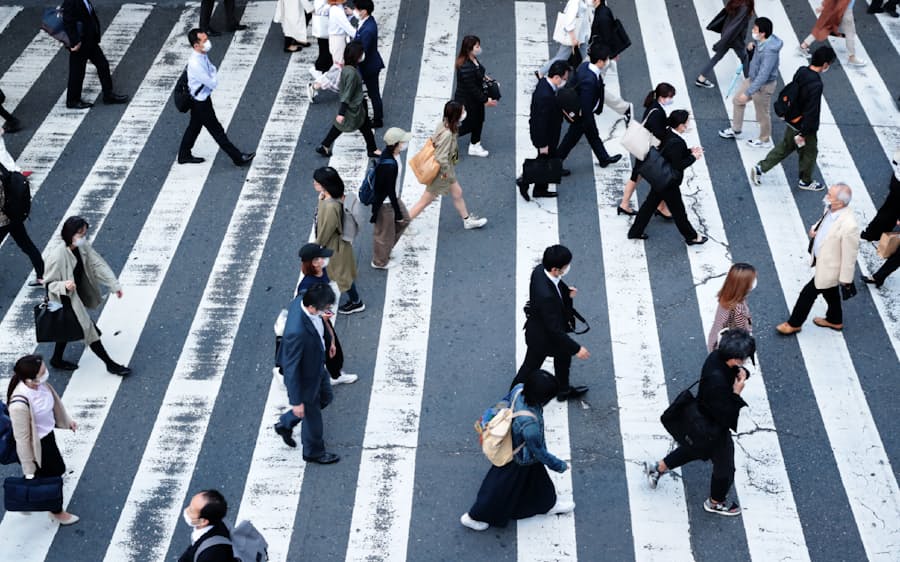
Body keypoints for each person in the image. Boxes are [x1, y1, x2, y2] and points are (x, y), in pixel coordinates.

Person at [644, 329, 756, 518]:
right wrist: (737, 392)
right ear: (736, 358)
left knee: (695, 447)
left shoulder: (716, 357)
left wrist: (741, 373)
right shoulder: (718, 383)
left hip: (700, 420)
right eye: (744, 359)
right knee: (725, 468)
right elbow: (727, 414)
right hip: (714, 427)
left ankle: (658, 468)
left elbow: (732, 373)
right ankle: (716, 502)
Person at [460, 370, 575, 531]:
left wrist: (489, 417)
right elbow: (539, 451)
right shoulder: (530, 426)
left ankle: (548, 504)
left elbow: (503, 403)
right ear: (542, 398)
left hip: (517, 450)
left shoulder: (519, 389)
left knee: (538, 480)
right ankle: (475, 516)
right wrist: (559, 465)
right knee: (498, 486)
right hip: (519, 457)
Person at [42, 216, 131, 375]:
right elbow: (48, 284)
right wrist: (64, 285)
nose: (84, 238)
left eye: (84, 234)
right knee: (89, 331)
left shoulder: (81, 245)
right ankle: (111, 365)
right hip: (65, 299)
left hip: (76, 294)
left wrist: (113, 285)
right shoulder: (57, 256)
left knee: (66, 327)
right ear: (70, 234)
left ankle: (56, 359)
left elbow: (97, 263)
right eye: (81, 234)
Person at [511, 245, 591, 401]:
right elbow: (554, 330)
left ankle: (563, 390)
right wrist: (577, 348)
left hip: (542, 331)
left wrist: (567, 294)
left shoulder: (540, 270)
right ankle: (511, 399)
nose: (567, 268)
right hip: (543, 338)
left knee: (563, 358)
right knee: (530, 368)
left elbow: (557, 285)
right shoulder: (546, 297)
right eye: (566, 266)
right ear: (555, 269)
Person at [777, 183, 859, 334]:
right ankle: (835, 320)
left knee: (808, 293)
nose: (826, 197)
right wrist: (815, 228)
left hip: (830, 268)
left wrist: (846, 279)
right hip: (823, 261)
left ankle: (794, 323)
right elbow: (824, 222)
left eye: (830, 195)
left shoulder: (849, 226)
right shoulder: (831, 208)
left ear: (840, 202)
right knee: (830, 292)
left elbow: (850, 256)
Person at [7, 354, 79, 526]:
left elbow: (54, 405)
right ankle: (56, 512)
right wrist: (28, 468)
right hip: (37, 445)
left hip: (47, 436)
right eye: (43, 371)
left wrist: (67, 421)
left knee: (49, 474)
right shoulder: (18, 405)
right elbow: (22, 439)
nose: (46, 372)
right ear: (30, 378)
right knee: (53, 476)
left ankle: (30, 498)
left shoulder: (39, 384)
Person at [751, 46, 835, 192]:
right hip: (803, 125)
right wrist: (806, 131)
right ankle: (805, 180)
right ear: (825, 64)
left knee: (786, 147)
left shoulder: (802, 71)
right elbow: (812, 110)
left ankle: (761, 168)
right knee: (810, 152)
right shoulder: (816, 84)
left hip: (791, 119)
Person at [273, 283, 340, 464]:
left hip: (317, 365)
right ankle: (313, 452)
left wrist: (330, 341)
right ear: (312, 307)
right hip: (306, 378)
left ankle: (286, 423)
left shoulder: (302, 299)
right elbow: (292, 369)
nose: (328, 311)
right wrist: (296, 401)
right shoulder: (297, 332)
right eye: (325, 308)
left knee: (325, 398)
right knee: (313, 414)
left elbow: (319, 326)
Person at [627, 110, 709, 245]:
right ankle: (691, 237)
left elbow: (671, 153)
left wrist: (689, 151)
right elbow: (678, 165)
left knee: (650, 205)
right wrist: (693, 157)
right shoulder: (678, 142)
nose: (688, 124)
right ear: (681, 125)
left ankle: (635, 231)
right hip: (668, 181)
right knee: (679, 212)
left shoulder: (667, 132)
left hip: (659, 175)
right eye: (687, 122)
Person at [178, 29, 255, 167]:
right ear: (196, 46)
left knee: (194, 127)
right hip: (201, 102)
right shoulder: (195, 63)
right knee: (217, 131)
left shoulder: (202, 55)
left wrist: (212, 74)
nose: (208, 42)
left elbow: (212, 69)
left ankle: (184, 155)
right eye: (204, 41)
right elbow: (212, 82)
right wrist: (213, 75)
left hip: (200, 99)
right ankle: (237, 158)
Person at [408, 101, 488, 230]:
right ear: (457, 115)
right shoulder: (448, 134)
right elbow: (441, 157)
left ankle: (467, 220)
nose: (464, 113)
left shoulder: (443, 125)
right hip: (441, 174)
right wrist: (447, 174)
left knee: (458, 193)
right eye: (462, 111)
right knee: (424, 201)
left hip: (445, 172)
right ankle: (401, 225)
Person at [295, 243, 357, 384]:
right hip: (314, 323)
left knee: (330, 347)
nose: (325, 259)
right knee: (329, 347)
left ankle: (333, 373)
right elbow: (311, 309)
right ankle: (334, 376)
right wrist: (328, 327)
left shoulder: (321, 273)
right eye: (320, 257)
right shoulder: (307, 285)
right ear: (314, 263)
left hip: (321, 317)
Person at [555, 42, 623, 169]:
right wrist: (588, 119)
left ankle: (603, 158)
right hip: (583, 116)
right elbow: (586, 104)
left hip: (583, 113)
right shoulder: (589, 81)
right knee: (570, 140)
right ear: (600, 61)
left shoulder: (586, 66)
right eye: (607, 59)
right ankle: (555, 164)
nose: (608, 61)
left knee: (592, 135)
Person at [718, 17, 782, 149]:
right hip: (753, 79)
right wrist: (751, 48)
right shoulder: (762, 42)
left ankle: (765, 140)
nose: (753, 30)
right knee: (737, 100)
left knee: (762, 114)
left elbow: (764, 75)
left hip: (763, 86)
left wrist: (748, 92)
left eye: (755, 29)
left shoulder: (770, 51)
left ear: (763, 33)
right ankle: (736, 129)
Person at [313, 167, 365, 314]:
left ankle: (356, 302)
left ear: (325, 185)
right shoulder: (332, 197)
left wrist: (316, 247)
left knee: (342, 276)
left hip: (334, 247)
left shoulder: (331, 206)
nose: (314, 184)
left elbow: (326, 230)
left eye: (317, 182)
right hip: (336, 245)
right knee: (336, 273)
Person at [314, 42, 380, 158]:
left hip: (357, 103)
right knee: (357, 126)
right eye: (361, 53)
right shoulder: (352, 73)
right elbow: (347, 93)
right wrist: (341, 112)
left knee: (359, 127)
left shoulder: (346, 68)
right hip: (355, 105)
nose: (362, 55)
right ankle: (372, 149)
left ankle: (325, 145)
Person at [618, 82, 675, 216]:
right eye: (670, 97)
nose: (671, 99)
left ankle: (625, 204)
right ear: (662, 97)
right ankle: (660, 207)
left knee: (636, 176)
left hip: (644, 148)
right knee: (661, 177)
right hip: (650, 150)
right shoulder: (657, 111)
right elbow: (658, 132)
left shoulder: (653, 105)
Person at [517, 61, 571, 201]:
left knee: (547, 159)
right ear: (557, 77)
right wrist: (542, 144)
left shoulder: (545, 84)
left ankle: (541, 187)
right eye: (564, 78)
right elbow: (540, 122)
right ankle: (525, 181)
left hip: (548, 133)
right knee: (542, 162)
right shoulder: (545, 95)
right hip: (545, 136)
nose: (565, 81)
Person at [61, 0, 129, 110]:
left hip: (89, 40)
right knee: (77, 72)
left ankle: (108, 95)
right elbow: (68, 22)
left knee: (103, 65)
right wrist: (75, 42)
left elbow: (90, 17)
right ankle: (73, 100)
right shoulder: (71, 1)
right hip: (80, 42)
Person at [1, 138, 44, 287]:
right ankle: (42, 276)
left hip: (3, 220)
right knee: (26, 244)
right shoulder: (4, 170)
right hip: (15, 215)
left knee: (26, 244)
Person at [371, 127, 411, 268]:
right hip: (386, 202)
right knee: (384, 233)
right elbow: (388, 191)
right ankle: (379, 261)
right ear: (396, 144)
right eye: (403, 141)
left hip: (392, 198)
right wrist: (397, 212)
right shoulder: (389, 164)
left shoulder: (394, 154)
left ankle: (384, 250)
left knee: (405, 221)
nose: (405, 143)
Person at [588, 0, 633, 121]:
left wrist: (611, 55)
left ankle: (625, 108)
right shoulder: (603, 10)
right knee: (592, 83)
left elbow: (607, 37)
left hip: (600, 57)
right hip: (598, 54)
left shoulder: (602, 15)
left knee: (595, 86)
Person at [454, 35, 497, 157]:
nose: (479, 48)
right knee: (468, 124)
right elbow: (472, 88)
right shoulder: (465, 67)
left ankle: (475, 144)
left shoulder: (472, 59)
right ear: (469, 49)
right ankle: (445, 138)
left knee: (478, 121)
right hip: (468, 101)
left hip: (475, 100)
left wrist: (488, 80)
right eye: (477, 46)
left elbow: (479, 73)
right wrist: (485, 101)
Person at [695, 0, 754, 89]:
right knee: (745, 58)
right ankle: (749, 82)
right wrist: (721, 42)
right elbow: (734, 26)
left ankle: (701, 79)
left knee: (717, 57)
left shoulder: (737, 2)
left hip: (727, 35)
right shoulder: (744, 7)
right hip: (734, 38)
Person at [307, 0, 356, 100]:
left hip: (338, 39)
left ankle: (346, 89)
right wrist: (359, 35)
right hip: (338, 40)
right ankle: (315, 86)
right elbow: (346, 26)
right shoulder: (336, 10)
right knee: (338, 68)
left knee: (340, 67)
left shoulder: (338, 8)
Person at [799, 0, 866, 66]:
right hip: (844, 8)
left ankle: (804, 45)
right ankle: (852, 57)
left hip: (837, 7)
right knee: (850, 33)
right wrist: (824, 5)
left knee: (824, 28)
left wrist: (824, 5)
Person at [707, 263, 756, 352]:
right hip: (731, 345)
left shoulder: (726, 295)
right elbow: (742, 329)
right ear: (744, 285)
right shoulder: (739, 309)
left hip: (717, 336)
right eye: (752, 280)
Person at [537, 0, 593, 79]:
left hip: (582, 35)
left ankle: (583, 74)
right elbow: (569, 21)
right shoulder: (574, 3)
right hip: (574, 36)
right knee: (561, 57)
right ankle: (541, 72)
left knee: (583, 55)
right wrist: (573, 38)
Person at [178, 490, 235, 561]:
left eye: (191, 511)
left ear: (203, 521)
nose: (186, 510)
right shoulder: (220, 522)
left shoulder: (210, 555)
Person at [353, 0, 385, 128]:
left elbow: (362, 52)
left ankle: (378, 120)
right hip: (371, 64)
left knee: (374, 94)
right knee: (372, 93)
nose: (355, 10)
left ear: (364, 11)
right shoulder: (368, 21)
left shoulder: (367, 30)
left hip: (369, 67)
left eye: (356, 9)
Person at [860, 147, 900, 242]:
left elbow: (896, 159)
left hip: (897, 180)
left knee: (890, 208)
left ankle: (873, 233)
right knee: (891, 209)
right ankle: (873, 233)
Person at [310, 0, 334, 74]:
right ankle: (322, 68)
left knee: (325, 49)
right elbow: (319, 10)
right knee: (325, 49)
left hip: (325, 26)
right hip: (323, 27)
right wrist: (332, 5)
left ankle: (322, 67)